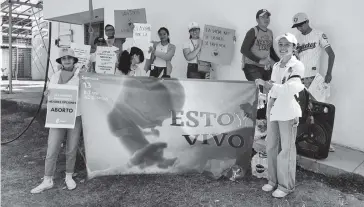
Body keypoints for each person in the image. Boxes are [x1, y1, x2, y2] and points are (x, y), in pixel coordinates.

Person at [256, 33, 305, 198]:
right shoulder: (276, 65)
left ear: (294, 48)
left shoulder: (297, 66)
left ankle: (285, 186)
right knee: (271, 145)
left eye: (287, 45)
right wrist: (265, 89)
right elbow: (273, 87)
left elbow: (292, 87)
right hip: (273, 107)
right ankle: (272, 180)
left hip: (288, 110)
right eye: (280, 45)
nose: (283, 48)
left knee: (287, 150)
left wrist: (269, 86)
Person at [31, 48, 82, 194]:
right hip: (57, 117)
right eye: (64, 58)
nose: (67, 60)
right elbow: (50, 95)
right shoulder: (55, 76)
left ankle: (69, 176)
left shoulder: (81, 76)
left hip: (75, 116)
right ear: (60, 61)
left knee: (71, 148)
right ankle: (48, 179)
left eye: (69, 58)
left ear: (74, 60)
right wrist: (47, 94)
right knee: (52, 147)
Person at [292, 12, 336, 151]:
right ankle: (302, 139)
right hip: (300, 79)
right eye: (297, 26)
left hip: (314, 79)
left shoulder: (318, 34)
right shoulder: (297, 38)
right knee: (301, 111)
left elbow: (331, 54)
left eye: (300, 25)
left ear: (307, 22)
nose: (299, 28)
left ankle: (324, 141)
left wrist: (329, 73)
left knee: (318, 111)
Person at [241, 9, 280, 121]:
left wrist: (279, 63)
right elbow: (244, 49)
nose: (266, 19)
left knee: (270, 90)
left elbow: (270, 50)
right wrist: (259, 61)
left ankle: (262, 121)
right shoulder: (253, 31)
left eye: (267, 17)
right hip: (251, 67)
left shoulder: (270, 32)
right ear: (257, 19)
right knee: (260, 92)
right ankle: (256, 121)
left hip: (265, 67)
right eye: (263, 17)